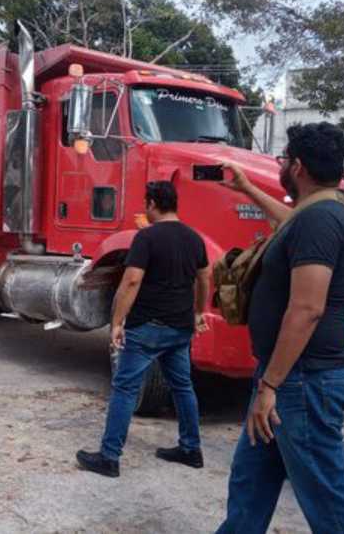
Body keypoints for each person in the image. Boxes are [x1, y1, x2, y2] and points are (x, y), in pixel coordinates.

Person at [216, 122, 344, 534]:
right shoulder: (319, 213)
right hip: (286, 377)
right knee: (250, 488)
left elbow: (306, 309)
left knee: (329, 502)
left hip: (301, 383)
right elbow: (292, 224)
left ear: (298, 166)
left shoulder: (320, 220)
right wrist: (248, 189)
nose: (282, 165)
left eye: (284, 158)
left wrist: (270, 386)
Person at [76, 180, 212, 478]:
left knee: (125, 388)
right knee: (183, 387)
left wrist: (117, 322)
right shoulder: (194, 238)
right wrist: (199, 311)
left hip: (148, 327)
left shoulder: (146, 238)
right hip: (180, 328)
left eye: (145, 204)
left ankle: (109, 457)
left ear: (152, 204)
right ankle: (191, 449)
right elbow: (205, 277)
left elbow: (132, 281)